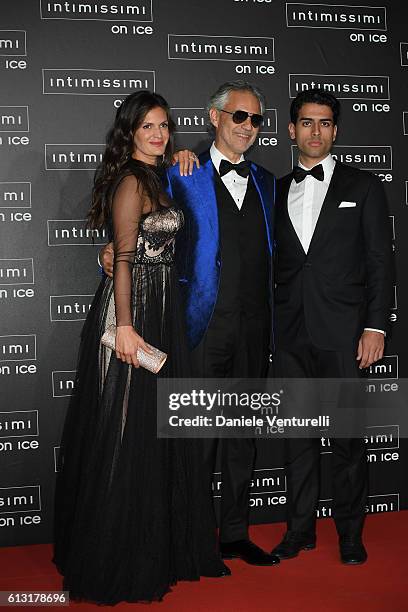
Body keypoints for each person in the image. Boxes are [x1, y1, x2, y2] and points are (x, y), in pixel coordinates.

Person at [53, 91, 228, 606]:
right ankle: (115, 552)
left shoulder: (157, 174)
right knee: (124, 432)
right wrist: (126, 327)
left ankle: (153, 544)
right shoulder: (131, 180)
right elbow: (124, 259)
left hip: (161, 307)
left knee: (151, 432)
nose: (158, 134)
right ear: (129, 131)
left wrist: (179, 157)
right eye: (148, 126)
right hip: (133, 310)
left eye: (164, 126)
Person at [102, 81, 279, 567]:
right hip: (199, 326)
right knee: (196, 438)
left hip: (254, 328)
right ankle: (194, 538)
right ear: (214, 117)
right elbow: (139, 228)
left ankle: (236, 534)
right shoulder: (182, 170)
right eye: (239, 116)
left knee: (242, 435)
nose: (248, 126)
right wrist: (112, 253)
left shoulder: (266, 180)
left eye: (257, 119)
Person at [271, 88, 394, 564]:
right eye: (306, 122)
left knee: (346, 439)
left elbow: (381, 262)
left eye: (324, 123)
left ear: (336, 131)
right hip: (290, 334)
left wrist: (375, 327)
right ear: (291, 129)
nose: (315, 131)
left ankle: (349, 533)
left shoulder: (363, 186)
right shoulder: (274, 189)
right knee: (297, 438)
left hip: (344, 333)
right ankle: (299, 530)